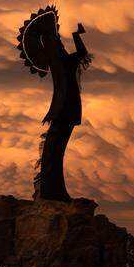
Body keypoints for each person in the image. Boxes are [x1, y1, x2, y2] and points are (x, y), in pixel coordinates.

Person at [34, 23, 89, 201]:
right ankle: (52, 190)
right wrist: (76, 35)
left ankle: (52, 189)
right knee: (55, 150)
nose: (63, 47)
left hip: (64, 109)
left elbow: (81, 54)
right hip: (66, 109)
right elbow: (82, 53)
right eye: (60, 44)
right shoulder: (64, 62)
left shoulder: (60, 63)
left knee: (55, 150)